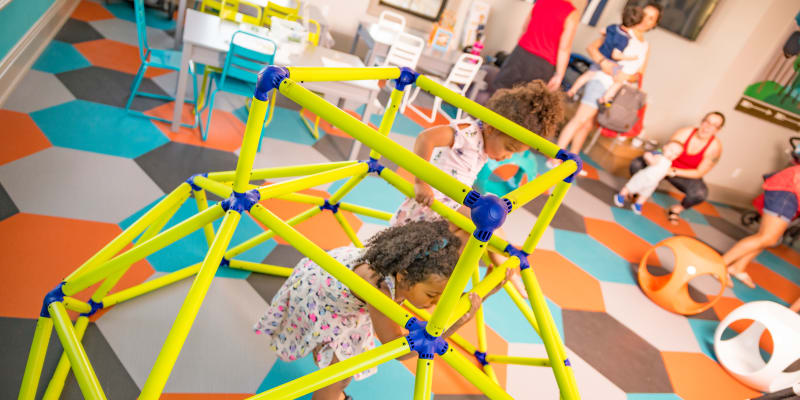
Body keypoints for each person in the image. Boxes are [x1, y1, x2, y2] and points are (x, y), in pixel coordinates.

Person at [254, 220, 510, 400]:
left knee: (339, 363)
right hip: (321, 298)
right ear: (403, 276)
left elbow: (462, 228)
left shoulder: (406, 263)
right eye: (432, 295)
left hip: (332, 276)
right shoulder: (378, 291)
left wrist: (486, 287)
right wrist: (454, 326)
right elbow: (399, 348)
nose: (436, 303)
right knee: (339, 374)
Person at [391, 80, 564, 297]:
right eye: (509, 148)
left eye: (514, 153)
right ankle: (508, 270)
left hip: (448, 210)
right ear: (491, 127)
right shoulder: (468, 134)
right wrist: (420, 182)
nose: (508, 156)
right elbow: (426, 138)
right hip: (432, 205)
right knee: (491, 221)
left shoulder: (484, 143)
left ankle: (451, 286)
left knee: (474, 235)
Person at [548, 2, 661, 174]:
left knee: (586, 126)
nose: (647, 20)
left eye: (652, 18)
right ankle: (554, 158)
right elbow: (592, 48)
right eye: (645, 15)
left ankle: (572, 164)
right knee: (579, 120)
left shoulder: (645, 46)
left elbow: (639, 74)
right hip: (600, 80)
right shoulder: (621, 31)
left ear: (655, 24)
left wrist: (625, 77)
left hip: (616, 88)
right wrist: (605, 64)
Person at [629, 111, 724, 224]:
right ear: (702, 121)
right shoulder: (684, 133)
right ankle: (636, 191)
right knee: (637, 164)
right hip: (665, 164)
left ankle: (676, 209)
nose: (707, 127)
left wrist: (673, 171)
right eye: (707, 122)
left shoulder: (715, 148)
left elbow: (699, 172)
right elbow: (666, 150)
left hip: (683, 173)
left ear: (718, 130)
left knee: (700, 193)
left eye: (714, 125)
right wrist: (654, 159)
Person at [725, 165, 800, 289]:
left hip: (791, 191)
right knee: (767, 237)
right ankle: (719, 265)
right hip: (789, 189)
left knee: (771, 238)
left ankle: (737, 268)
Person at [491, 0, 583, 93]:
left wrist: (518, 52)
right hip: (542, 65)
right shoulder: (572, 13)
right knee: (527, 101)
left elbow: (524, 28)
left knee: (499, 91)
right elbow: (564, 48)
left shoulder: (542, 1)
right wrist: (559, 75)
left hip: (520, 53)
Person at [566, 5, 645, 104]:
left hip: (600, 55)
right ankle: (605, 98)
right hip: (609, 62)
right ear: (636, 24)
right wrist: (631, 58)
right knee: (619, 81)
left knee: (587, 75)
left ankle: (573, 90)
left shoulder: (613, 27)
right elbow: (615, 55)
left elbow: (602, 31)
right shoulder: (624, 39)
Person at [614, 141, 683, 214]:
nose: (672, 154)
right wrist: (649, 157)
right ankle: (621, 196)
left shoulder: (669, 162)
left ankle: (638, 204)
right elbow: (652, 160)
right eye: (671, 151)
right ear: (664, 147)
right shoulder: (659, 156)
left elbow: (664, 171)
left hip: (653, 182)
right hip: (644, 177)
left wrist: (669, 173)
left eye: (676, 154)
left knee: (645, 194)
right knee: (630, 187)